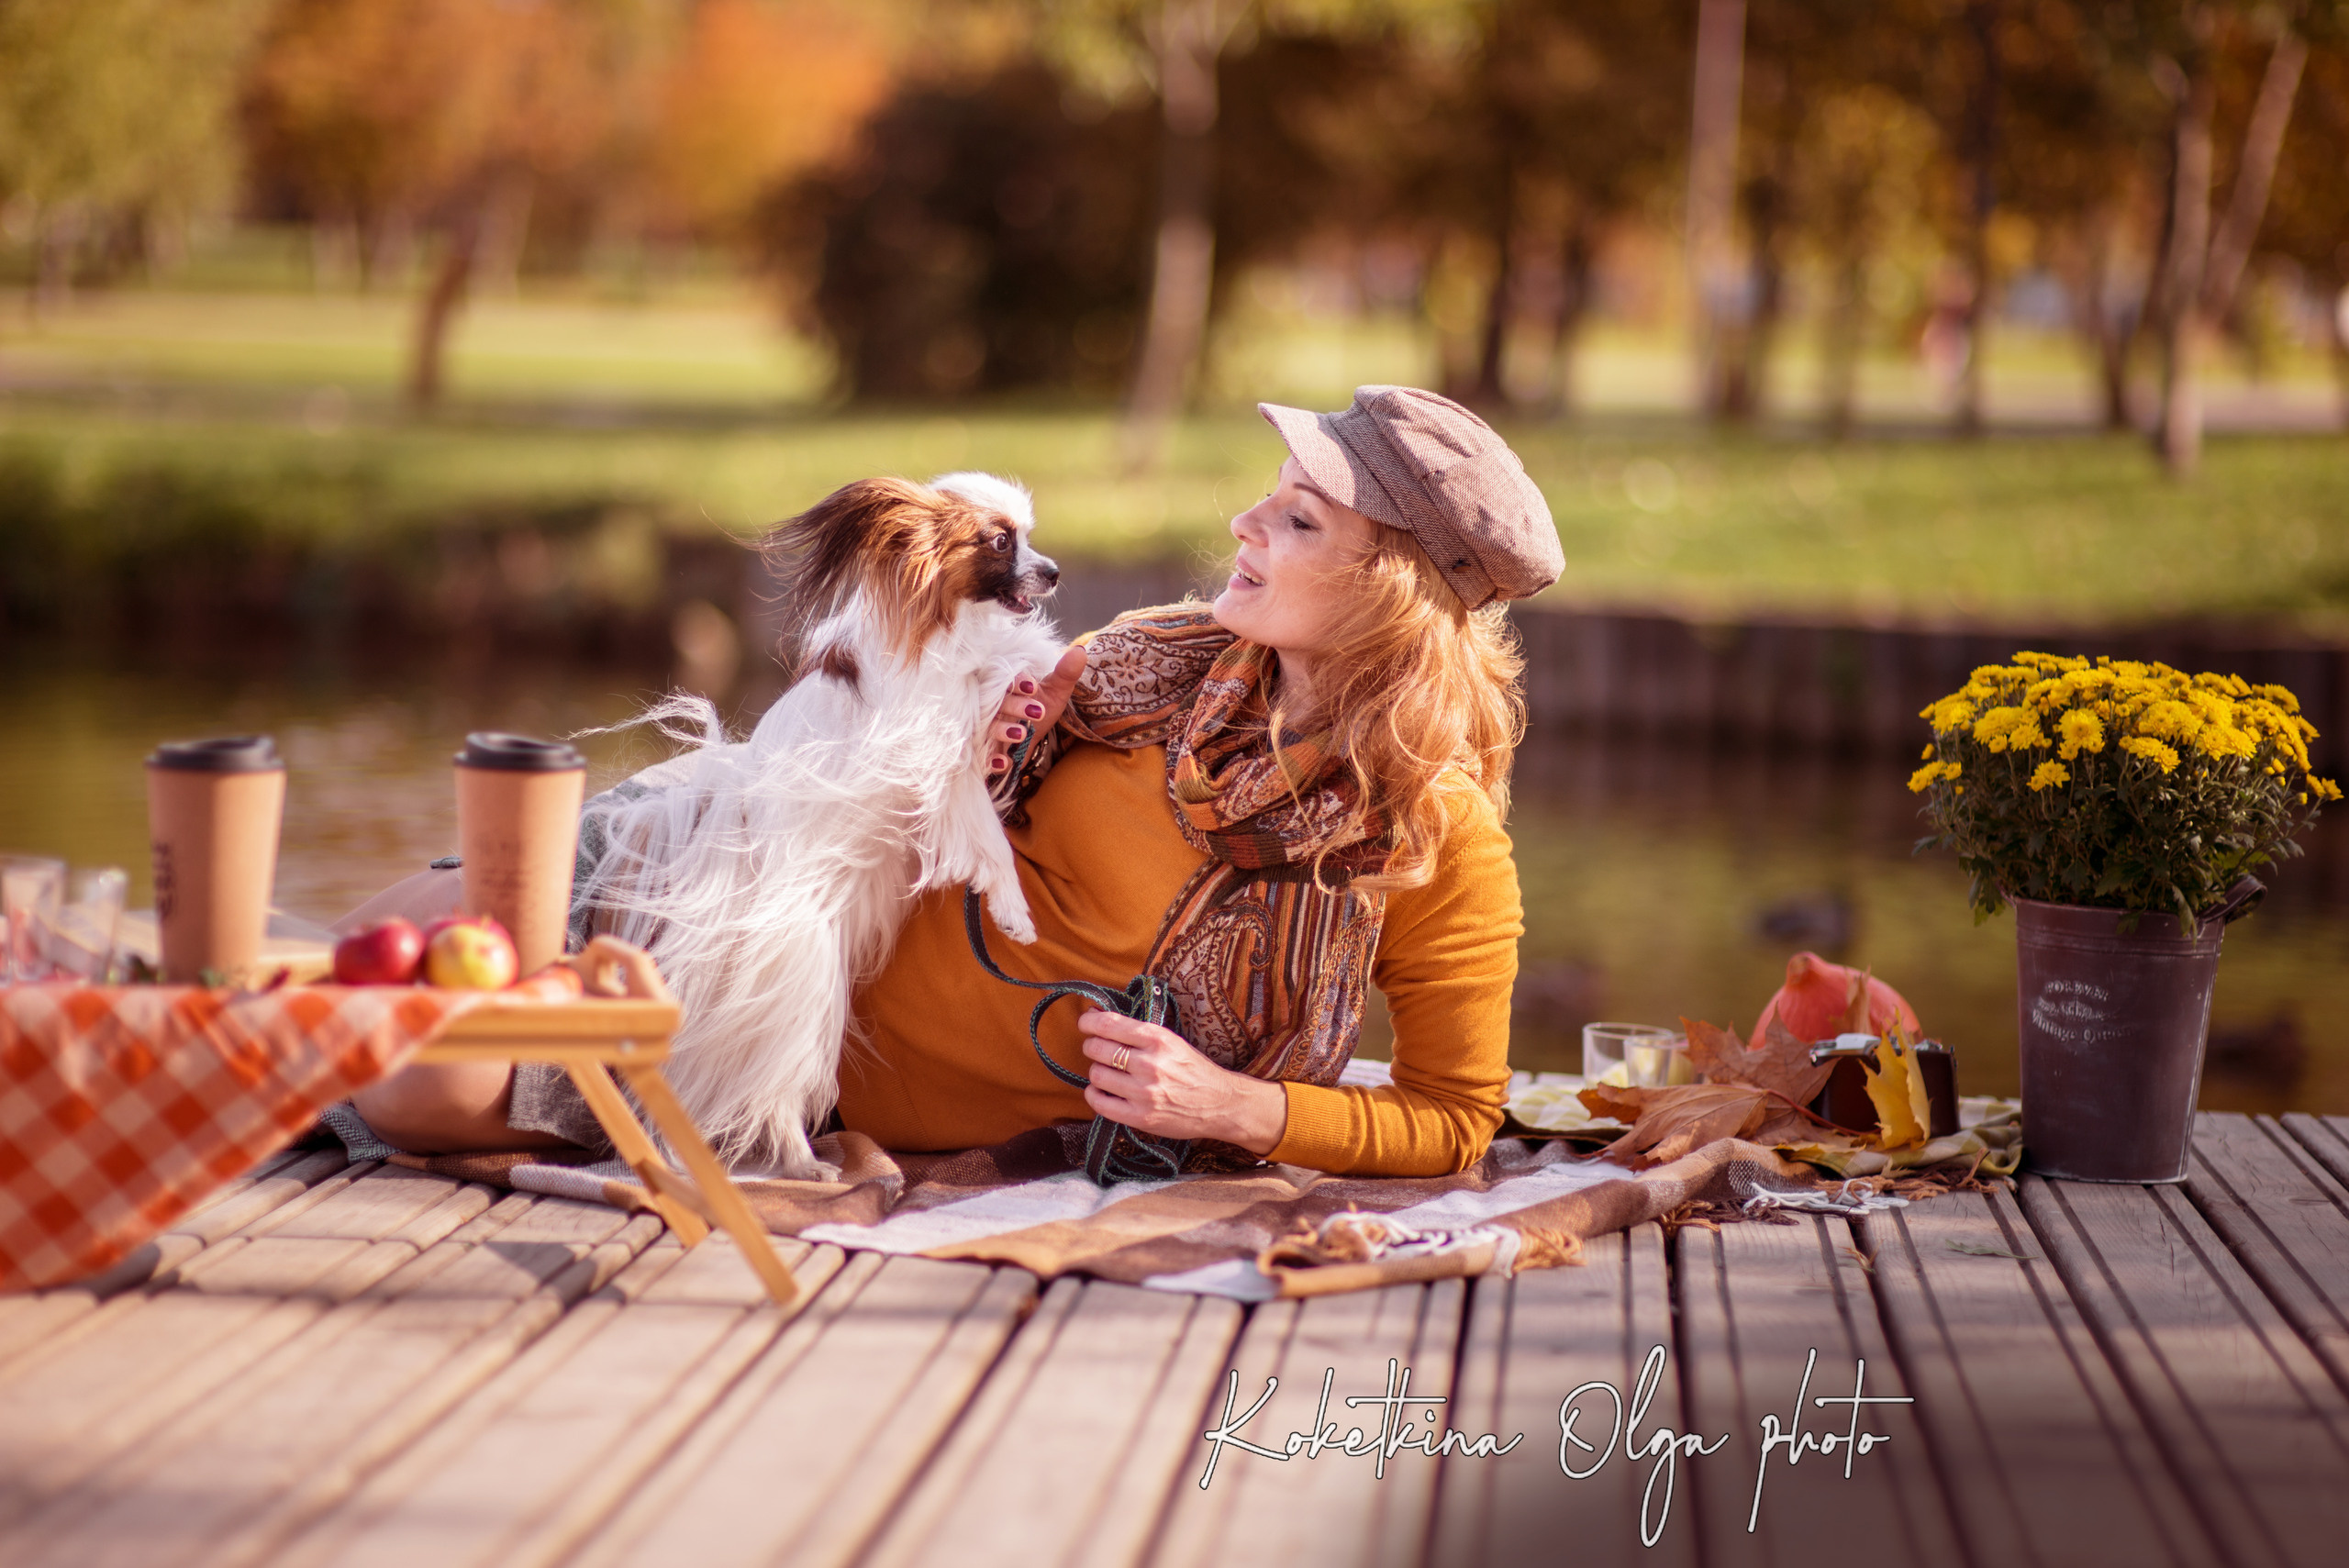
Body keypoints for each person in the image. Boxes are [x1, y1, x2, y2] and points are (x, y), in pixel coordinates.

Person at [351, 385, 1561, 1177]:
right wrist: (960, 748)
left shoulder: (1433, 836)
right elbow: (883, 714)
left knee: (409, 1076)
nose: (1244, 521)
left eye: (1297, 521)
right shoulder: (1137, 659)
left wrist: (1234, 1110)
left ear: (1383, 591)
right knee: (375, 947)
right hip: (760, 900)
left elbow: (1453, 1120)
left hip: (788, 1070)